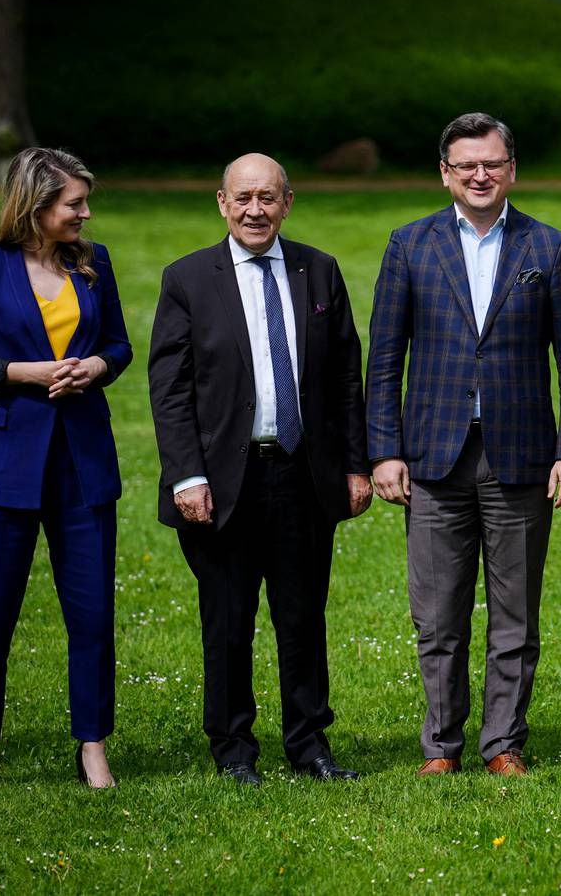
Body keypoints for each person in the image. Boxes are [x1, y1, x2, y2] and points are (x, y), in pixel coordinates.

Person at [366, 112, 561, 777]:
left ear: (511, 169)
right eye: (466, 164)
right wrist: (384, 451)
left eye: (491, 163)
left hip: (521, 457)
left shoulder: (548, 248)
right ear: (445, 173)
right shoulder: (409, 246)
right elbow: (385, 360)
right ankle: (441, 746)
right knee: (437, 618)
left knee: (515, 616)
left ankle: (504, 744)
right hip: (432, 458)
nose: (479, 174)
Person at [148, 153, 371, 787]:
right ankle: (234, 748)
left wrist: (356, 465)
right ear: (221, 203)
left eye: (268, 198)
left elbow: (344, 377)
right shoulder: (188, 279)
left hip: (304, 474)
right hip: (222, 483)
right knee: (228, 618)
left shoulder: (319, 271)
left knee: (303, 615)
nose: (255, 210)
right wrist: (186, 476)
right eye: (243, 198)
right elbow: (170, 389)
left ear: (287, 202)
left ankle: (309, 745)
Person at [0, 147, 132, 791]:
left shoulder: (93, 263)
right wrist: (24, 373)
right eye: (74, 203)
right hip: (2, 465)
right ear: (36, 205)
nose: (84, 213)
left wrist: (95, 368)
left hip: (82, 463)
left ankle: (94, 746)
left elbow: (119, 346)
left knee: (92, 615)